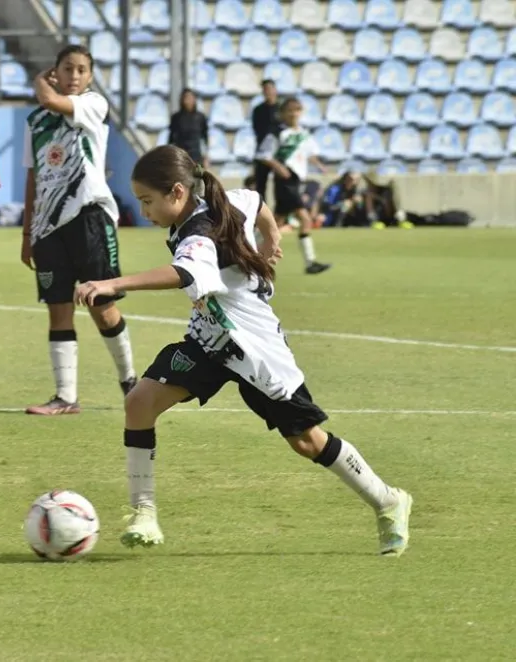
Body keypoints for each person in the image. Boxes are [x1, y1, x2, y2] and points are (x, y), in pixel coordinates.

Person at [74, 145, 413, 557]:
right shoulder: (224, 199)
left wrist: (112, 284)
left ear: (177, 192)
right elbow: (255, 201)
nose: (143, 211)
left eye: (147, 201)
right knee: (139, 404)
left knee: (307, 441)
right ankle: (143, 511)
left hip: (254, 347)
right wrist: (271, 237)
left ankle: (389, 501)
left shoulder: (198, 234)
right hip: (208, 340)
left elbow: (188, 273)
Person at [21, 44, 138, 415]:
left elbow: (53, 101)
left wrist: (42, 81)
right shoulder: (34, 123)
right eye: (67, 69)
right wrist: (28, 232)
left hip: (89, 218)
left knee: (102, 306)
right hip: (47, 227)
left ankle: (130, 381)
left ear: (89, 77)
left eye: (81, 70)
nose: (74, 76)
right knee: (58, 308)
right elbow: (33, 177)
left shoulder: (93, 105)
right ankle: (65, 397)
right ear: (58, 71)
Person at [256, 97, 332, 275]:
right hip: (285, 182)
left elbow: (308, 154)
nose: (293, 114)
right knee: (305, 219)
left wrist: (319, 165)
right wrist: (279, 167)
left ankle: (247, 244)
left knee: (276, 221)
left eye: (297, 110)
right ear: (282, 113)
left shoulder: (303, 134)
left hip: (296, 180)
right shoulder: (277, 133)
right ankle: (310, 261)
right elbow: (264, 155)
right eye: (289, 110)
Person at [251, 79, 282, 199]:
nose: (268, 92)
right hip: (263, 151)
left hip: (279, 151)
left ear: (275, 90)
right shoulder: (258, 110)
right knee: (260, 185)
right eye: (265, 90)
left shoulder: (281, 108)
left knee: (280, 185)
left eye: (270, 89)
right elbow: (256, 129)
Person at [167, 88, 209, 168]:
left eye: (191, 98)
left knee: (196, 179)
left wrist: (206, 157)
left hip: (196, 157)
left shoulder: (200, 117)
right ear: (182, 100)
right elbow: (171, 139)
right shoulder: (176, 117)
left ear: (194, 100)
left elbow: (204, 138)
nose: (188, 100)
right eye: (186, 97)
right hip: (181, 157)